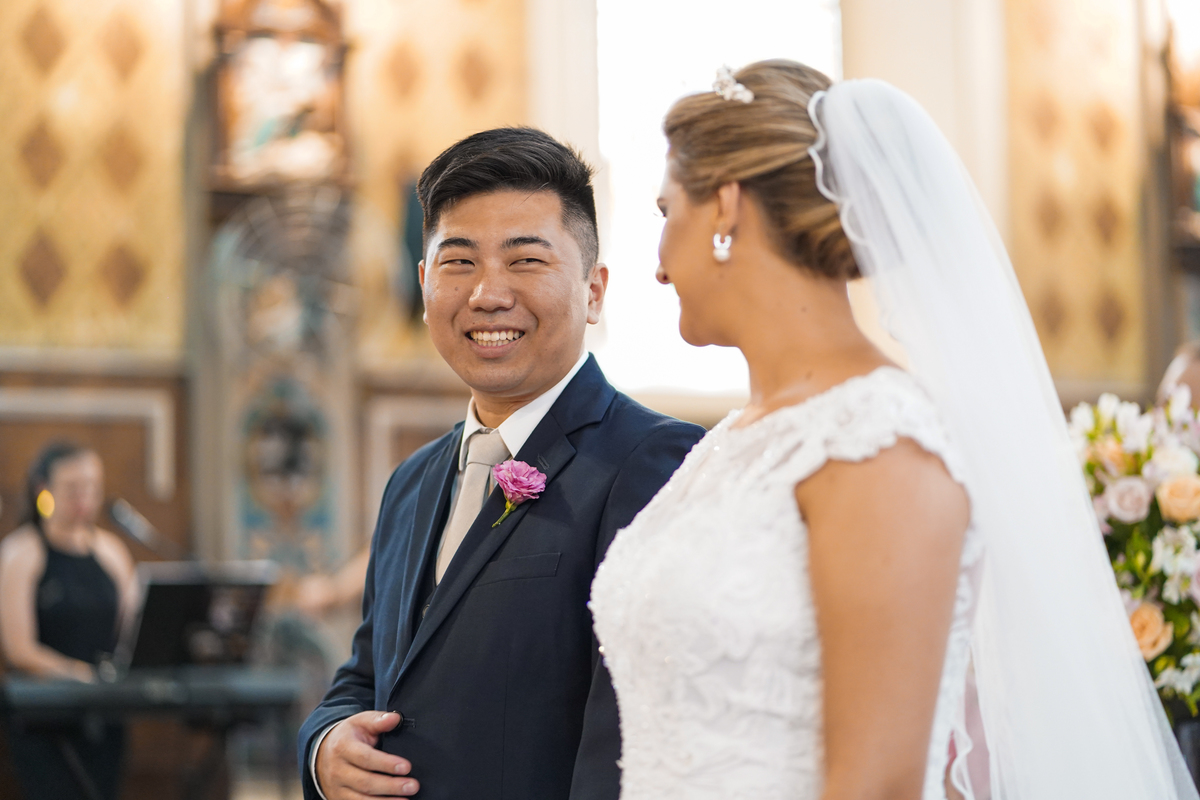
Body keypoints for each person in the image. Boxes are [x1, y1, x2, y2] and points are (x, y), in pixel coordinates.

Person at [589, 61, 1199, 799]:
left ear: (725, 205)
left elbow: (875, 785)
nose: (656, 265)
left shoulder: (879, 444)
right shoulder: (732, 440)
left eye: (665, 213)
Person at [297, 127, 705, 800]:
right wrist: (326, 745)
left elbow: (632, 736)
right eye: (459, 262)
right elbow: (366, 675)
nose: (488, 294)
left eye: (525, 261)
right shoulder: (412, 482)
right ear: (425, 284)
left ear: (595, 290)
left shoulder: (651, 461)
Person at [0, 442, 138, 800]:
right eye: (74, 488)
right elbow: (19, 650)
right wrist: (77, 673)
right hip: (44, 717)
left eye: (92, 487)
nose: (85, 498)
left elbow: (132, 630)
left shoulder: (112, 551)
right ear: (42, 490)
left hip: (106, 710)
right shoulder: (21, 553)